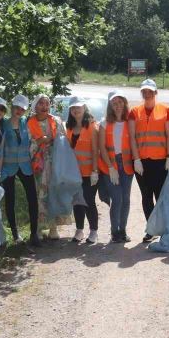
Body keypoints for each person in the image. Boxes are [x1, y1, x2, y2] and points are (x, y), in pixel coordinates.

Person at [128, 79, 169, 242]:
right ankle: (151, 228)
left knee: (160, 196)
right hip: (142, 162)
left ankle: (163, 228)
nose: (147, 94)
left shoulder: (166, 110)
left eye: (150, 91)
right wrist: (136, 159)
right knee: (146, 196)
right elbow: (132, 137)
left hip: (160, 161)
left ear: (155, 93)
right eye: (144, 92)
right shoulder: (134, 111)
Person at [0, 95, 40, 246]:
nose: (19, 111)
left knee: (32, 198)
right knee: (10, 200)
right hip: (8, 167)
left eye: (22, 109)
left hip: (25, 166)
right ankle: (15, 234)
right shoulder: (4, 124)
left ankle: (34, 233)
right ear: (12, 106)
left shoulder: (26, 123)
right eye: (16, 107)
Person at [27, 94, 67, 240]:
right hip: (37, 164)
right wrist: (39, 142)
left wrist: (52, 141)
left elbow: (63, 140)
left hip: (54, 162)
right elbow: (27, 143)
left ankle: (53, 227)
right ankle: (38, 228)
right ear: (35, 106)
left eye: (47, 103)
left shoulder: (55, 120)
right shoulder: (29, 122)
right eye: (41, 104)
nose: (44, 106)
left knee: (54, 193)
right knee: (38, 195)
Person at [98, 90, 134, 243]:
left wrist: (137, 160)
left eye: (120, 102)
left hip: (126, 166)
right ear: (110, 106)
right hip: (110, 166)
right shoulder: (104, 123)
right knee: (117, 199)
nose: (118, 106)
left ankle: (123, 230)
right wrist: (111, 167)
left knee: (126, 199)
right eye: (114, 103)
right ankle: (114, 232)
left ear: (124, 103)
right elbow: (102, 147)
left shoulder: (129, 121)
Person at [65, 97, 100, 244]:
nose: (75, 110)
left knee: (88, 201)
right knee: (77, 201)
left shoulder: (92, 126)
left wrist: (95, 171)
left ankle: (93, 231)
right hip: (74, 172)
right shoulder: (69, 128)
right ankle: (79, 230)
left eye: (78, 107)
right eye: (73, 108)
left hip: (89, 173)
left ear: (84, 108)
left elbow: (95, 150)